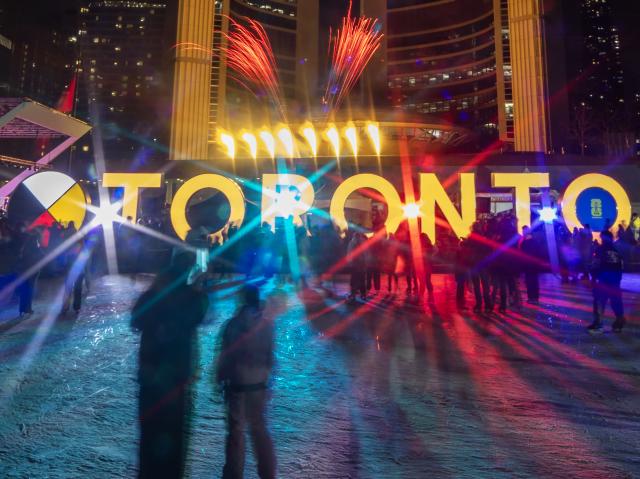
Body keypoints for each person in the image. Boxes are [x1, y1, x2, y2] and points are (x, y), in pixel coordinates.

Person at [131, 251, 209, 479]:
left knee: (150, 432)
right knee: (173, 436)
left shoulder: (152, 295)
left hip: (151, 375)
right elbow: (201, 312)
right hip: (175, 378)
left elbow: (135, 321)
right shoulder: (189, 296)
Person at [216, 284, 276, 479]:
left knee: (236, 434)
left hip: (238, 385)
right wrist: (268, 380)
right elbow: (270, 355)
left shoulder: (233, 325)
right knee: (259, 429)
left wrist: (220, 378)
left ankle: (233, 475)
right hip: (259, 384)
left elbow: (225, 355)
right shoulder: (267, 324)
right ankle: (267, 472)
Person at [587, 230, 626, 334]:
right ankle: (619, 322)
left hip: (603, 278)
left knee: (599, 300)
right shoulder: (616, 250)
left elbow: (595, 264)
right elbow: (621, 266)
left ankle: (598, 324)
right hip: (615, 278)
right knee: (616, 300)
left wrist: (593, 278)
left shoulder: (600, 249)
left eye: (602, 237)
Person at [519, 226, 541, 304]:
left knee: (529, 282)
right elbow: (539, 254)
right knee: (534, 281)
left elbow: (521, 255)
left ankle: (531, 297)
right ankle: (535, 297)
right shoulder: (535, 242)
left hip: (528, 266)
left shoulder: (524, 243)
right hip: (534, 266)